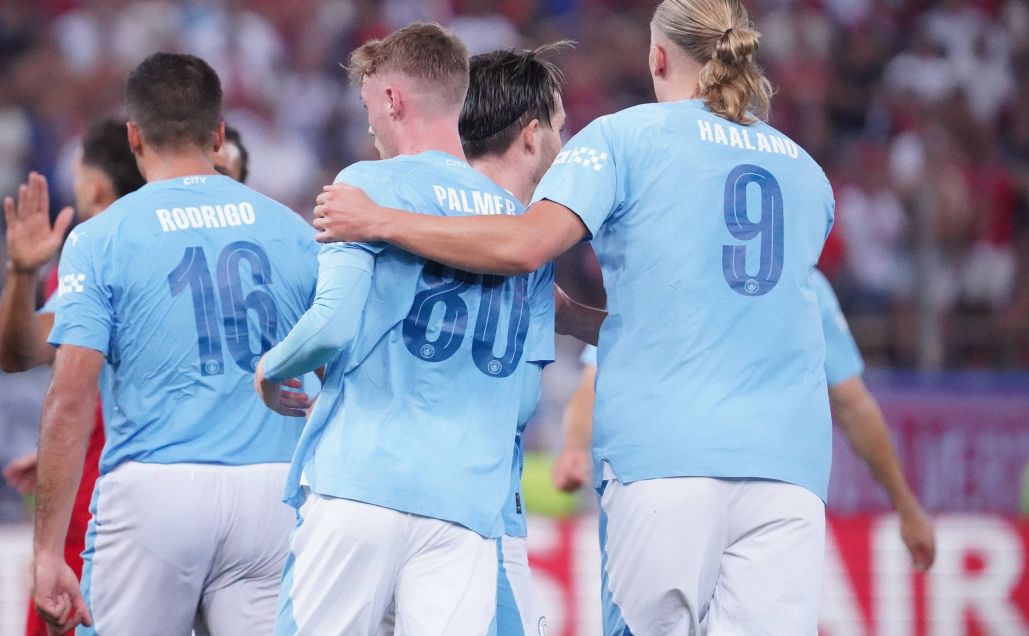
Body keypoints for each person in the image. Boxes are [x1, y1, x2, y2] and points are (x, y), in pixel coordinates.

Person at [314, 0, 835, 632]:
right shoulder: (808, 173)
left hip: (665, 453)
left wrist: (378, 221)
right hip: (790, 461)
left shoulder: (625, 137)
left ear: (659, 56)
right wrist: (574, 317)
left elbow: (525, 245)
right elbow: (712, 306)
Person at [252, 23, 555, 636]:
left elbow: (331, 327)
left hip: (361, 483)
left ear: (391, 99)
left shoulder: (369, 186)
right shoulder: (524, 231)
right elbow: (522, 398)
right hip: (463, 508)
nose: (368, 127)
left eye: (368, 108)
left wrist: (269, 367)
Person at [32, 52, 318, 636]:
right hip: (273, 490)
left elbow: (69, 398)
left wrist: (44, 552)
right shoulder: (295, 230)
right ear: (218, 135)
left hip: (154, 489)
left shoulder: (99, 239)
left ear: (134, 136)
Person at [553, 268, 937, 572]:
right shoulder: (803, 283)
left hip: (672, 486)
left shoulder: (664, 268)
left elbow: (597, 376)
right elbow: (853, 405)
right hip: (764, 493)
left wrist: (573, 446)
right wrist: (905, 505)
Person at [372, 44, 568, 636]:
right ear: (531, 136)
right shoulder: (534, 244)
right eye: (561, 126)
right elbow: (523, 400)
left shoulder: (386, 195)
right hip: (474, 517)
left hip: (358, 498)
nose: (566, 141)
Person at [0, 119, 145, 636]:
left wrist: (20, 273)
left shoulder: (89, 258)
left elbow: (18, 352)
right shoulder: (178, 253)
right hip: (177, 499)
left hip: (95, 512)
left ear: (95, 187)